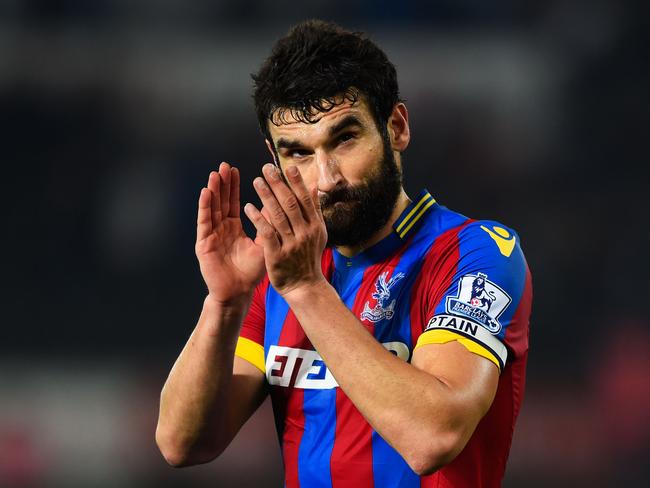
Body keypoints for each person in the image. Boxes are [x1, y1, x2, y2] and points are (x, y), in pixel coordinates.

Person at [155, 19, 532, 488]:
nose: (326, 177)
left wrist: (307, 289)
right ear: (273, 157)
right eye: (298, 154)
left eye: (344, 139)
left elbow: (433, 436)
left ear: (395, 128)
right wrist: (226, 303)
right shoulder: (277, 274)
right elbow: (182, 443)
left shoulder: (476, 253)